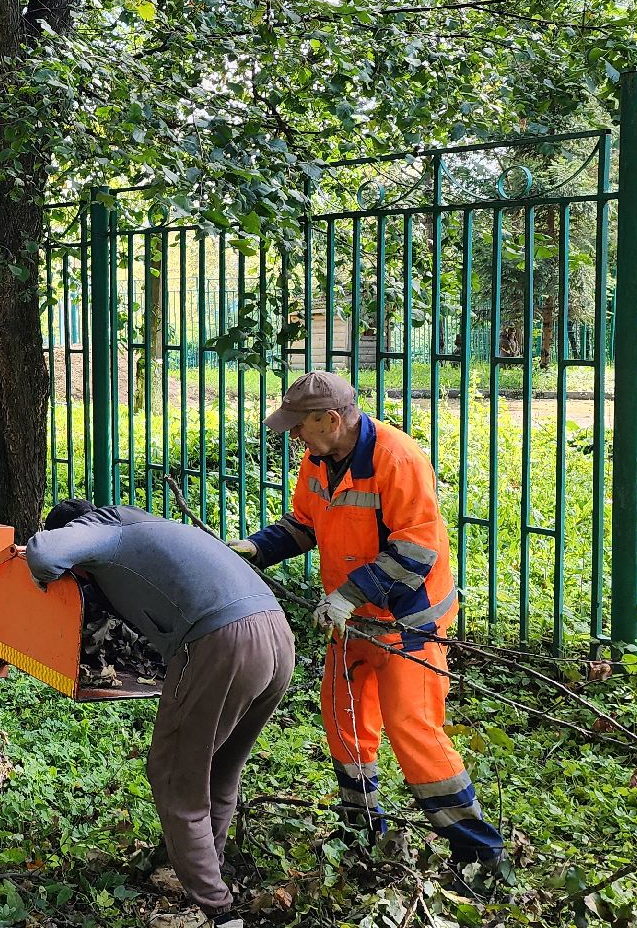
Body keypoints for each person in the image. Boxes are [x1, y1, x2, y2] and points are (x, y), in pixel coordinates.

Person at [231, 370, 508, 889]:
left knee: (414, 731)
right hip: (351, 620)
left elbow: (418, 549)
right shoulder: (317, 461)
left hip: (409, 622)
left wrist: (347, 595)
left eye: (300, 426)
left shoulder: (398, 460)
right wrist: (255, 549)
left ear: (331, 420)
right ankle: (363, 833)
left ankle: (480, 856)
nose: (294, 436)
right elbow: (304, 524)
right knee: (343, 721)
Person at [26, 500, 295, 927]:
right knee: (219, 769)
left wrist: (45, 578)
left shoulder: (106, 532)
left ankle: (219, 912)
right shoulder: (153, 525)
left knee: (171, 775)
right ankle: (208, 864)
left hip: (223, 642)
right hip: (277, 637)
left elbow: (43, 552)